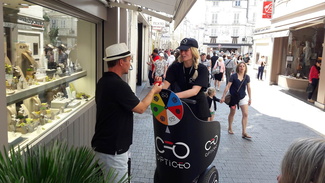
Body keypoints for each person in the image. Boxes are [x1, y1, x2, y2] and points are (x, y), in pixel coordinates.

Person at [91, 43, 162, 181]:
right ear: (121, 61)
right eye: (128, 59)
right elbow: (141, 108)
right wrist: (153, 91)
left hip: (104, 145)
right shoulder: (118, 85)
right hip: (113, 150)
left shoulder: (103, 81)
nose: (130, 63)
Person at [162, 38, 210, 121]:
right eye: (181, 50)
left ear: (193, 51)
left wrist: (172, 97)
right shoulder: (174, 67)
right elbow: (165, 86)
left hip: (198, 109)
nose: (183, 53)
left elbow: (194, 91)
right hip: (178, 107)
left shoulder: (202, 69)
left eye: (186, 50)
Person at [220, 62, 252, 138]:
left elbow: (249, 88)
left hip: (243, 97)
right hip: (233, 98)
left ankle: (244, 132)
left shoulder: (247, 77)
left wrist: (250, 98)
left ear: (245, 68)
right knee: (232, 113)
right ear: (238, 67)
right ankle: (230, 127)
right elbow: (228, 86)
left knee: (245, 114)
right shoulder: (233, 76)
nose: (242, 67)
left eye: (243, 66)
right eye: (240, 66)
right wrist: (223, 96)